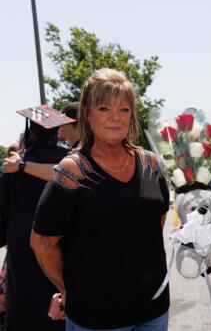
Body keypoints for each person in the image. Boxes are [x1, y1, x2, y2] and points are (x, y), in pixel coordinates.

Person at [31, 68, 170, 330]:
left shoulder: (150, 164)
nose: (115, 118)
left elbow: (154, 223)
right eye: (104, 108)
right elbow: (42, 243)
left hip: (153, 310)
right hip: (96, 315)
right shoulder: (73, 171)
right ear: (87, 112)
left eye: (124, 109)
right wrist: (67, 288)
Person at [3, 105, 73, 330]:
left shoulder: (14, 165)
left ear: (30, 131)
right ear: (56, 130)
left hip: (23, 249)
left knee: (26, 311)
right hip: (63, 248)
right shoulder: (69, 160)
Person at [2, 101, 82, 181]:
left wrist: (21, 165)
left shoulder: (14, 165)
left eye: (60, 120)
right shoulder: (67, 156)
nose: (58, 125)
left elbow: (69, 174)